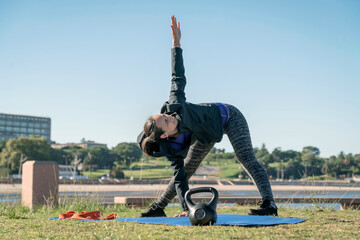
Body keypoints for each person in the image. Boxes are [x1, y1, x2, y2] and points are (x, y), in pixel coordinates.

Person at [137, 15, 278, 217]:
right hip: (206, 135)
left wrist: (176, 43)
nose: (171, 116)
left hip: (228, 116)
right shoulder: (171, 147)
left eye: (166, 115)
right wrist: (187, 210)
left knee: (245, 157)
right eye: (166, 120)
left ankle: (269, 204)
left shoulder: (176, 105)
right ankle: (159, 207)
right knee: (185, 170)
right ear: (164, 135)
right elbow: (179, 178)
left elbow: (177, 76)